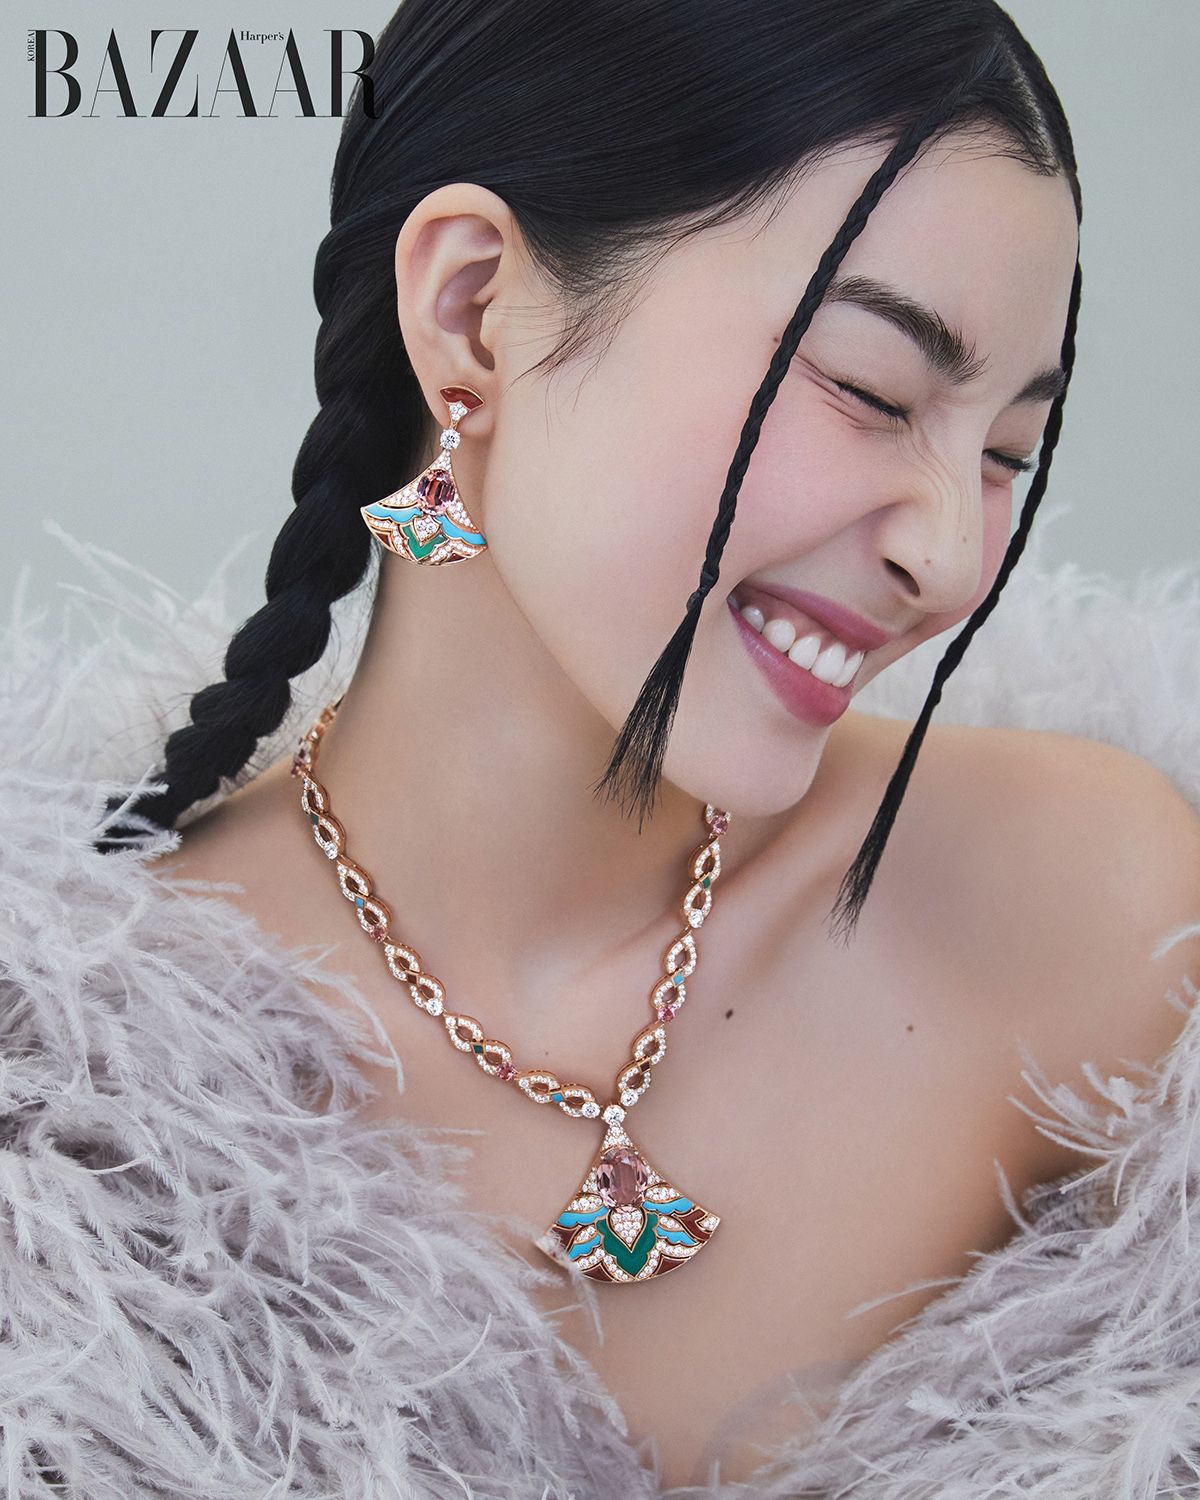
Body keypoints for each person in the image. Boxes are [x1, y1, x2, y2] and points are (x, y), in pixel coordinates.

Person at [3, 1, 1199, 1495]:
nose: (952, 556)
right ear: (475, 312)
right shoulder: (70, 1122)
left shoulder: (1089, 909)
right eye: (872, 391)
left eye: (1008, 451)